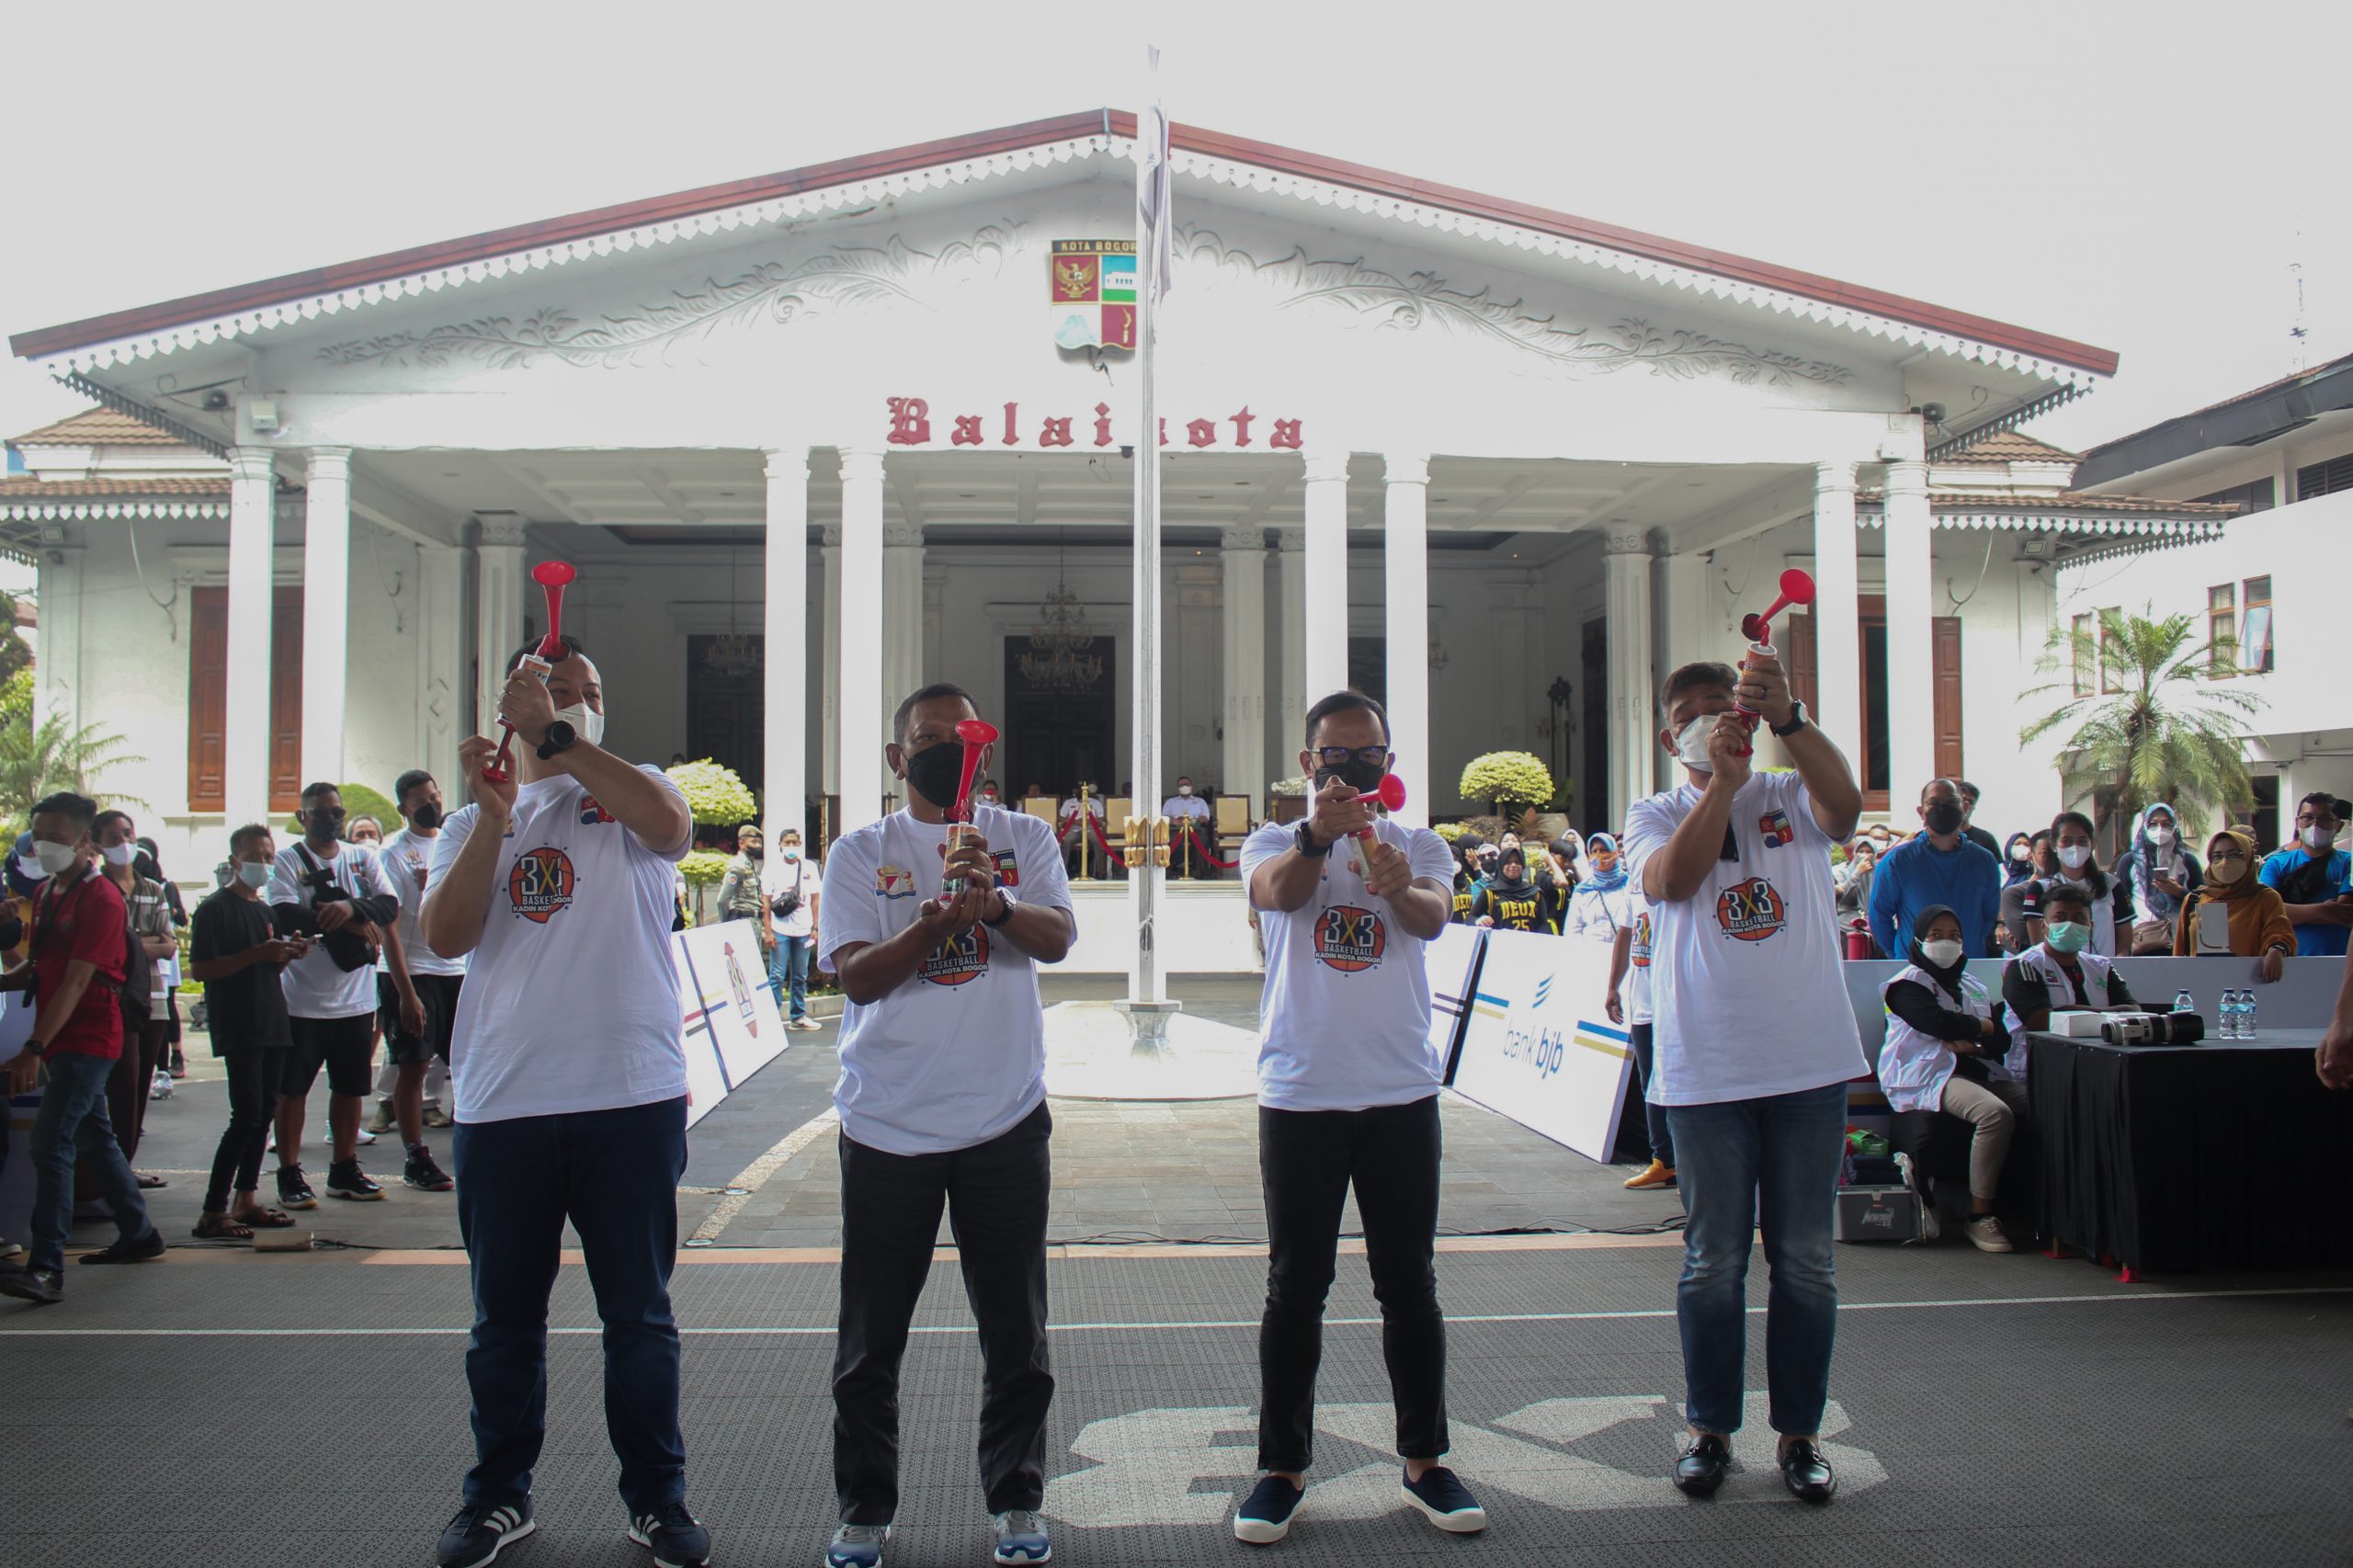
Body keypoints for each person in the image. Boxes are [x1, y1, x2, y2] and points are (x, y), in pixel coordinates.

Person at [418, 633, 712, 1568]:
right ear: (508, 701)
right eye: (553, 691)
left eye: (587, 692)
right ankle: (497, 1495)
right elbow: (449, 932)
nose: (574, 702)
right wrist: (497, 813)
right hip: (504, 1103)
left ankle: (658, 1499)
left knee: (640, 1315)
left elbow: (669, 825)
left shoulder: (630, 790)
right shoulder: (476, 820)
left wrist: (560, 740)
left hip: (629, 1095)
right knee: (504, 1320)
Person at [817, 683, 1074, 1568]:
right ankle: (864, 1508)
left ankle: (1015, 1500)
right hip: (888, 1126)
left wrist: (995, 904)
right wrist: (933, 924)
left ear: (982, 753)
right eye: (924, 739)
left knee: (1016, 1336)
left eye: (957, 738)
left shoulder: (1024, 839)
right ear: (898, 759)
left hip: (1003, 1122)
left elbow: (1057, 940)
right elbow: (855, 978)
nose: (940, 751)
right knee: (870, 1341)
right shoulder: (861, 852)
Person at [1234, 688, 1484, 1545]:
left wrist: (1397, 882)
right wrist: (1320, 836)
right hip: (1302, 1091)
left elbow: (1431, 918)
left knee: (1408, 1284)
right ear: (1310, 766)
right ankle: (1282, 1467)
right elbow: (1277, 893)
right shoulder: (1275, 839)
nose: (1350, 768)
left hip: (1399, 1092)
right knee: (1295, 1287)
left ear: (1388, 760)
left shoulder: (1419, 844)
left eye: (1366, 753)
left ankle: (1425, 1458)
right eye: (1334, 757)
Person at [1623, 654, 1864, 1505]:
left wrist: (1792, 721)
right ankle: (1708, 1428)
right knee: (1713, 1262)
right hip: (1706, 1072)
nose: (1708, 718)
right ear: (1668, 734)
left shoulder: (1788, 794)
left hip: (1807, 1065)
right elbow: (1673, 882)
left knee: (1805, 1262)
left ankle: (1801, 1434)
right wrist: (1720, 786)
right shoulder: (1653, 811)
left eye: (1722, 706)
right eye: (1690, 712)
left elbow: (1847, 808)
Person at [0, 792, 164, 1305]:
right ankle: (139, 1233)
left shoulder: (101, 899)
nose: (46, 846)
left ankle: (46, 1268)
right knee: (97, 1137)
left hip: (89, 1038)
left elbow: (74, 982)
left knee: (51, 1144)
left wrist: (32, 1047)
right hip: (60, 1037)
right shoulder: (50, 892)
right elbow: (39, 969)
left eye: (57, 838)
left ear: (84, 841)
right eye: (39, 837)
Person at [267, 783, 402, 1207]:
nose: (330, 819)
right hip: (302, 1001)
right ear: (302, 817)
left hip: (355, 1001)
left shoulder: (362, 857)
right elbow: (284, 912)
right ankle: (289, 1173)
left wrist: (352, 909)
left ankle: (344, 1168)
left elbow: (388, 904)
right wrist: (347, 921)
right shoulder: (288, 861)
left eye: (336, 812)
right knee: (293, 1090)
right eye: (319, 812)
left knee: (349, 1088)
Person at [1877, 905, 2025, 1253]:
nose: (1947, 942)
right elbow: (1937, 1023)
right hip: (1925, 1073)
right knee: (1994, 1114)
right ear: (1918, 939)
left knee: (2044, 1103)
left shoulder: (1972, 985)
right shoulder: (1905, 985)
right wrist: (1981, 1030)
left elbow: (2000, 1040)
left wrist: (1970, 1044)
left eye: (1954, 936)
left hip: (1976, 1070)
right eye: (1936, 935)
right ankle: (1980, 1215)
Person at [188, 824, 306, 1239]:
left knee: (264, 1114)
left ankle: (246, 1197)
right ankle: (213, 1207)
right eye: (256, 856)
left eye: (270, 856)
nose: (265, 863)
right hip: (239, 1022)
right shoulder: (215, 909)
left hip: (272, 1018)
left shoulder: (264, 910)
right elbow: (201, 969)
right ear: (236, 861)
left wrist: (286, 955)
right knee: (246, 1115)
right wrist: (257, 954)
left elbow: (266, 967)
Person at [369, 771, 463, 1193]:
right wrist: (405, 992)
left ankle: (472, 1139)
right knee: (414, 1064)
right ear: (403, 807)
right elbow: (389, 927)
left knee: (467, 1061)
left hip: (456, 969)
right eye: (418, 799)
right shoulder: (395, 853)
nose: (429, 803)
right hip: (412, 971)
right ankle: (415, 1155)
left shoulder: (456, 838)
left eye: (433, 795)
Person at [94, 810, 175, 1178]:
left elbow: (170, 946)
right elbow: (102, 949)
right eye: (113, 837)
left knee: (140, 1088)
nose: (124, 843)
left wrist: (132, 944)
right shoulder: (95, 890)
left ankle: (125, 1169)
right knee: (121, 1085)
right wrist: (148, 942)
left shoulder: (152, 889)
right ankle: (110, 1173)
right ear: (97, 844)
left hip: (152, 1000)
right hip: (110, 1001)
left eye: (128, 834)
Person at [1868, 778, 2002, 960]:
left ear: (1964, 808)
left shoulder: (1984, 860)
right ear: (1921, 812)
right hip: (1915, 970)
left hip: (1968, 969)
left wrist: (1966, 944)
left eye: (1951, 802)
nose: (1943, 808)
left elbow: (1988, 916)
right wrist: (1903, 956)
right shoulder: (1898, 860)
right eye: (1934, 803)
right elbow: (1879, 916)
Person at [2002, 884, 2136, 1057]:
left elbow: (2133, 1012)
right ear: (2043, 925)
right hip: (2039, 1066)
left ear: (2090, 927)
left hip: (2096, 1061)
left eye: (2079, 918)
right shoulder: (2024, 965)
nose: (2070, 924)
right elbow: (2043, 1021)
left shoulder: (2101, 966)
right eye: (2060, 918)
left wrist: (2064, 1010)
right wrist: (2113, 1013)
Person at [1608, 888, 1673, 1190]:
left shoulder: (1676, 882)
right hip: (1644, 1003)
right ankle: (1664, 1160)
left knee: (1678, 1082)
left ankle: (1690, 1162)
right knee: (1651, 1083)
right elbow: (1625, 936)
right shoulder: (1633, 889)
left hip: (1675, 1004)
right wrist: (1613, 987)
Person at [2175, 825, 2296, 980]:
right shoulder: (2195, 899)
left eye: (2234, 855)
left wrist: (2276, 951)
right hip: (2200, 986)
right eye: (2217, 856)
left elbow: (2279, 934)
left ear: (2248, 857)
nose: (2225, 862)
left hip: (2249, 989)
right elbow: (2179, 951)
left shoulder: (2265, 898)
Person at [2258, 791, 2353, 958]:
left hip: (2339, 962)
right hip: (2288, 962)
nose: (2315, 825)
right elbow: (2266, 912)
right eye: (2307, 818)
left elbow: (2344, 914)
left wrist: (2290, 911)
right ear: (2297, 822)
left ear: (2339, 826)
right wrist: (2321, 910)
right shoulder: (2276, 864)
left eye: (2325, 818)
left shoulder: (2349, 863)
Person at [2117, 803, 2203, 955]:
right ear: (2144, 826)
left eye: (2166, 824)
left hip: (2181, 941)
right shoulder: (2130, 861)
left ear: (2175, 826)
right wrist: (2122, 951)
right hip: (2143, 941)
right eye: (2153, 824)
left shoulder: (2188, 861)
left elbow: (2204, 902)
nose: (2159, 829)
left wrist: (2179, 892)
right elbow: (2121, 906)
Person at [762, 825, 821, 1029]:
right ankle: (771, 1018)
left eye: (794, 843)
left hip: (804, 931)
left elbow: (815, 899)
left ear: (800, 844)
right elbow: (766, 903)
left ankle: (798, 1016)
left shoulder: (809, 868)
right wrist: (768, 931)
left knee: (800, 975)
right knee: (777, 975)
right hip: (780, 930)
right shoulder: (772, 868)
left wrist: (815, 927)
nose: (791, 846)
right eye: (787, 843)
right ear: (780, 845)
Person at [2041, 812, 2120, 957]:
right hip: (2056, 972)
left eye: (2082, 841)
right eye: (2067, 840)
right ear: (2054, 845)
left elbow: (2124, 935)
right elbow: (2038, 937)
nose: (2075, 847)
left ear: (2092, 844)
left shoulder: (2111, 884)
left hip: (2103, 970)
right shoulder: (2042, 887)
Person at [1996, 831, 2058, 954]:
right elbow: (2027, 935)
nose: (2053, 859)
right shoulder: (2016, 893)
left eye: (2056, 853)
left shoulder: (2072, 888)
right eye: (2045, 853)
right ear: (2031, 857)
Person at [1567, 833, 1631, 946]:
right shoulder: (1583, 890)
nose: (1599, 855)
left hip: (1622, 953)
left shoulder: (1629, 885)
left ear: (1615, 853)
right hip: (1590, 955)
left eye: (1604, 850)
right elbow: (1572, 930)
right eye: (1594, 851)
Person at [1470, 846, 1546, 932]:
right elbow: (1470, 918)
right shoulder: (1490, 892)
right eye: (1508, 862)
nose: (1513, 865)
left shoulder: (1535, 893)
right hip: (1500, 943)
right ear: (1501, 865)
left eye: (1517, 862)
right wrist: (1479, 921)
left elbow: (1543, 924)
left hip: (1529, 944)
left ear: (1523, 865)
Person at [1165, 775, 1213, 878]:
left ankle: (1197, 869)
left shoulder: (1200, 801)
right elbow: (1163, 818)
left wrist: (1194, 820)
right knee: (1173, 840)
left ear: (1191, 786)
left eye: (1187, 784)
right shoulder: (1171, 802)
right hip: (1176, 829)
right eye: (1181, 785)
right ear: (1178, 787)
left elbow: (1206, 817)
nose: (1184, 786)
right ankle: (1177, 867)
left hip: (1195, 829)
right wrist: (1174, 820)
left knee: (1200, 840)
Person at [1955, 781, 2002, 863]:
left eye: (1970, 802)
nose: (1966, 805)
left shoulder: (1987, 839)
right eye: (1962, 800)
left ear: (1974, 807)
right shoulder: (1938, 837)